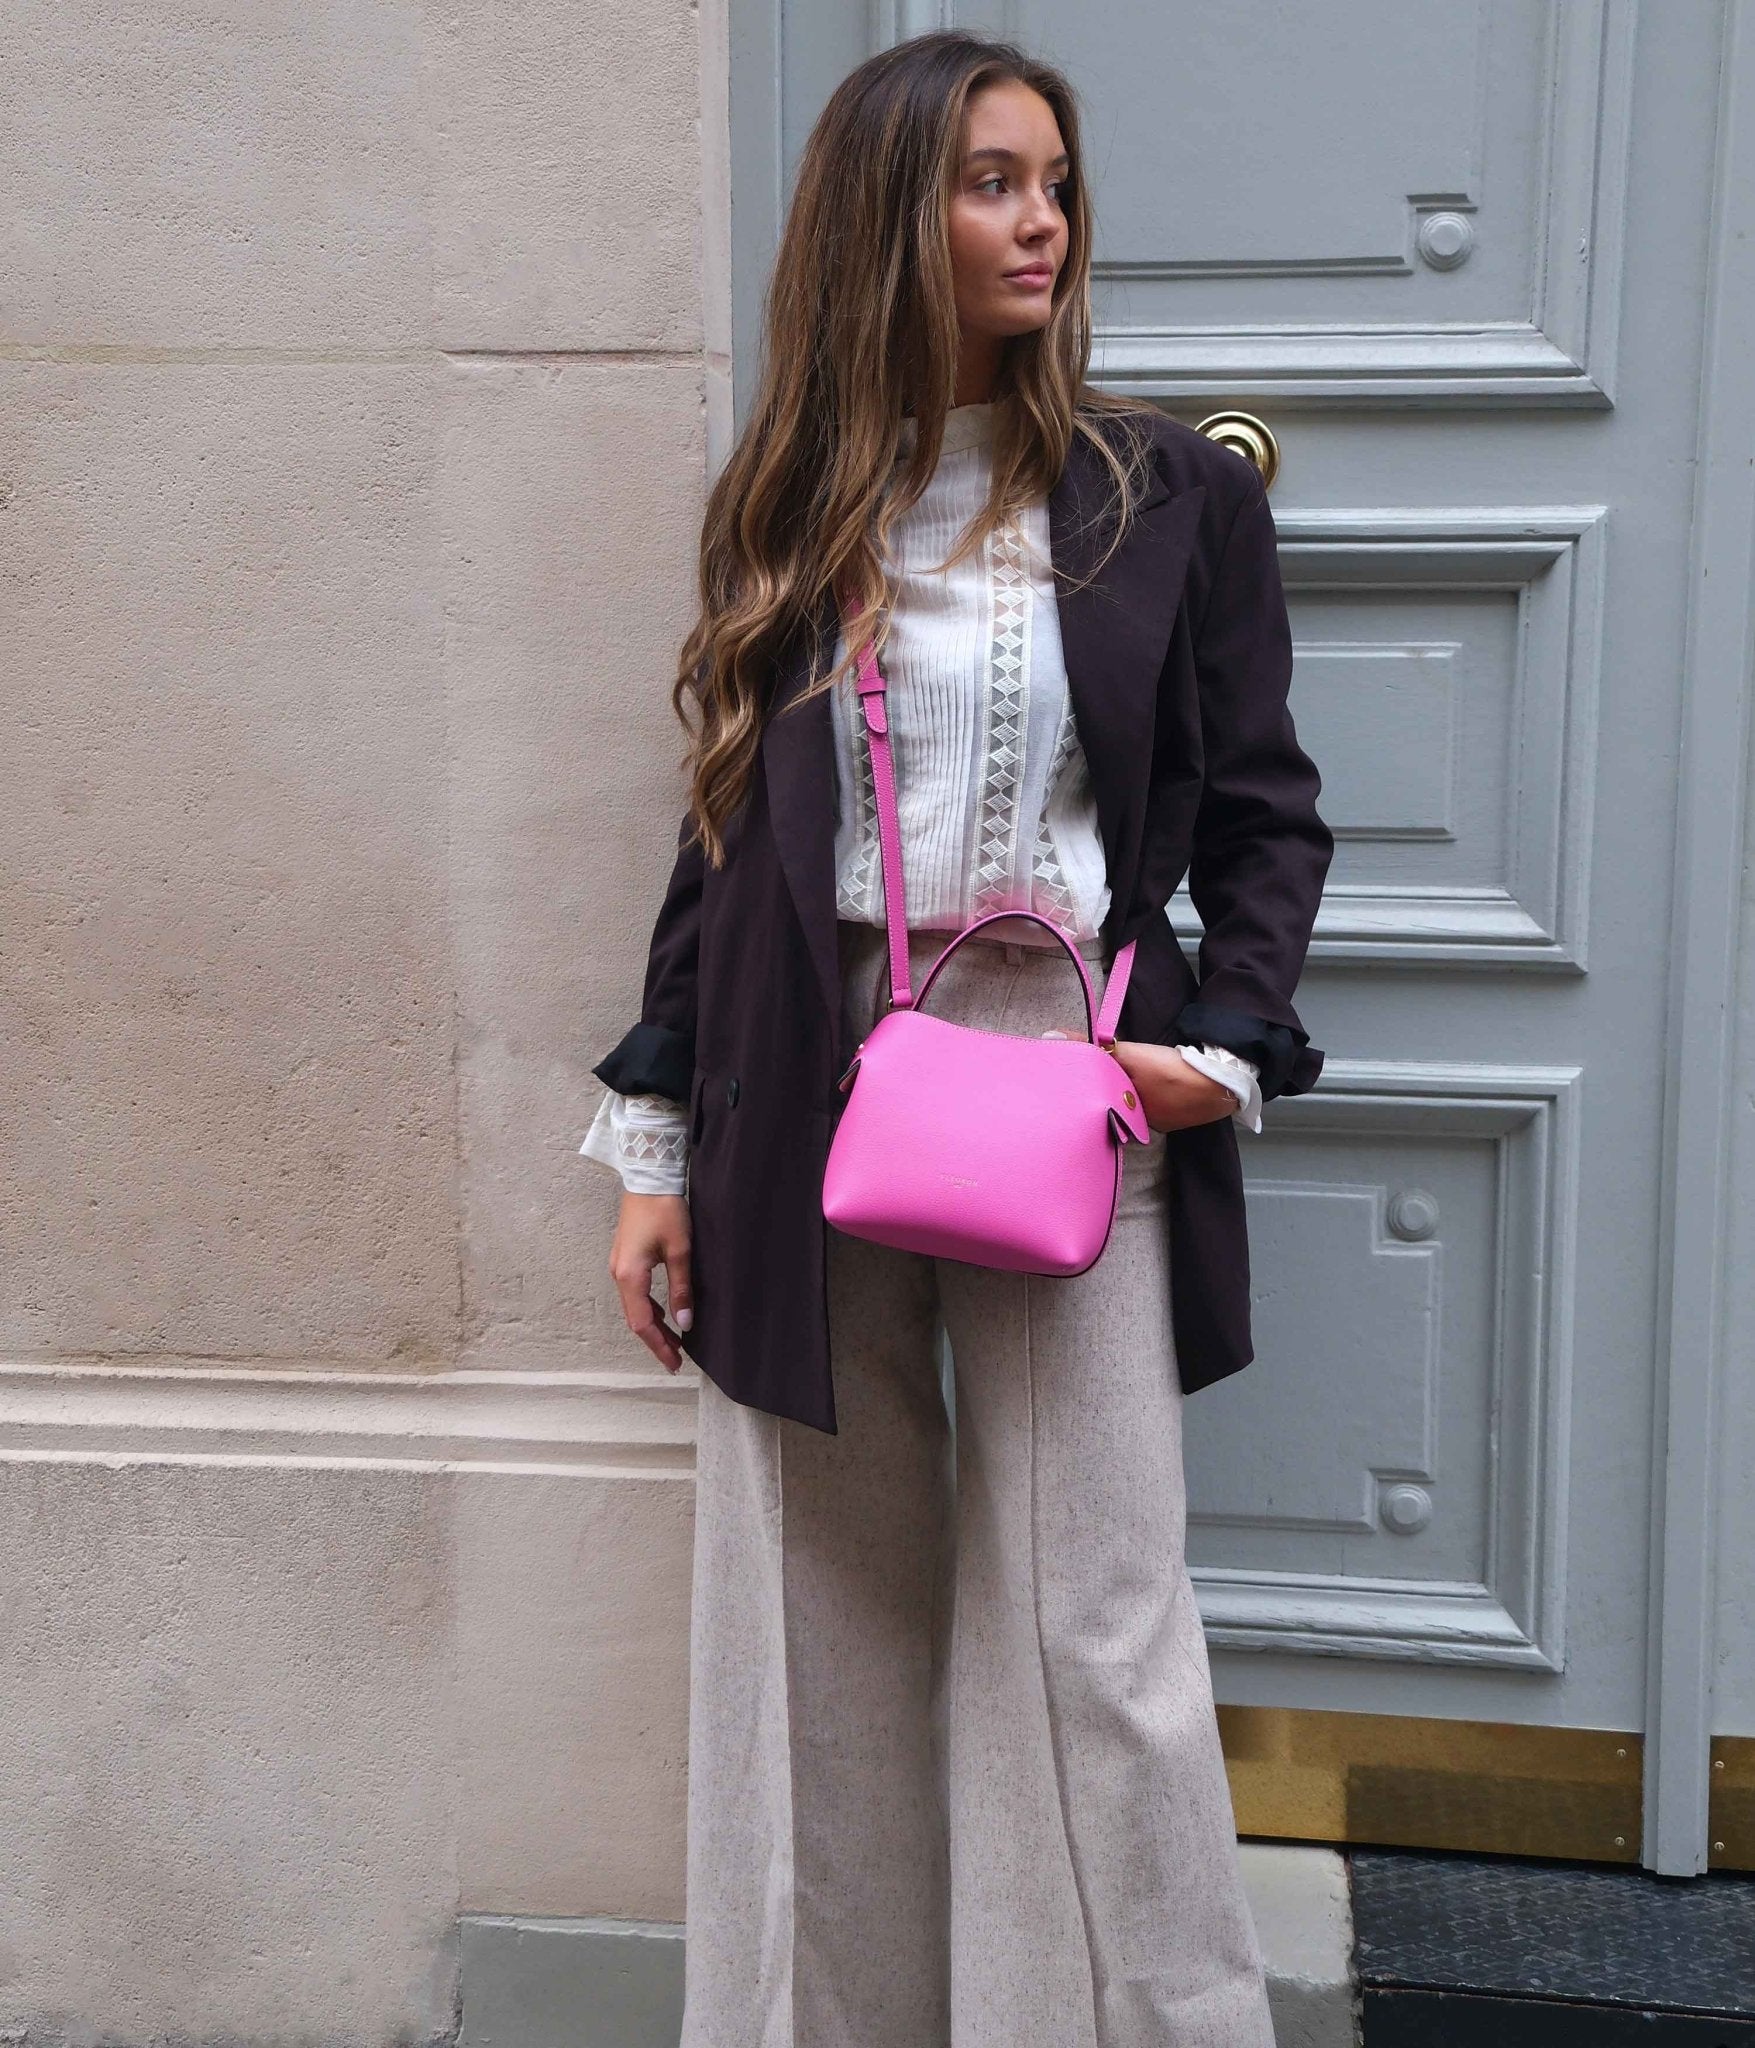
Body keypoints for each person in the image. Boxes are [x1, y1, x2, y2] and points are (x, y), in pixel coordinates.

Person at [579, 29, 1332, 2048]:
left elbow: (1265, 813)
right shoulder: (790, 501)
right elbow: (722, 836)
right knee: (811, 1624)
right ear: (884, 215)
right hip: (800, 1056)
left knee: (1100, 1623)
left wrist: (1224, 1046)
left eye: (1054, 183)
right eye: (992, 182)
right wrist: (653, 1148)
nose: (1041, 222)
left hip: (1062, 1061)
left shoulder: (1165, 493)